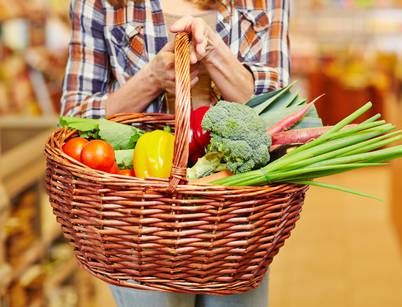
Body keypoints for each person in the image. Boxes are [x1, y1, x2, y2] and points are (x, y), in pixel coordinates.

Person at [60, 0, 290, 306]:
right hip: (141, 212)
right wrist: (151, 79)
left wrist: (214, 54)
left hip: (234, 207)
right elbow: (75, 117)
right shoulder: (98, 3)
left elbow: (280, 111)